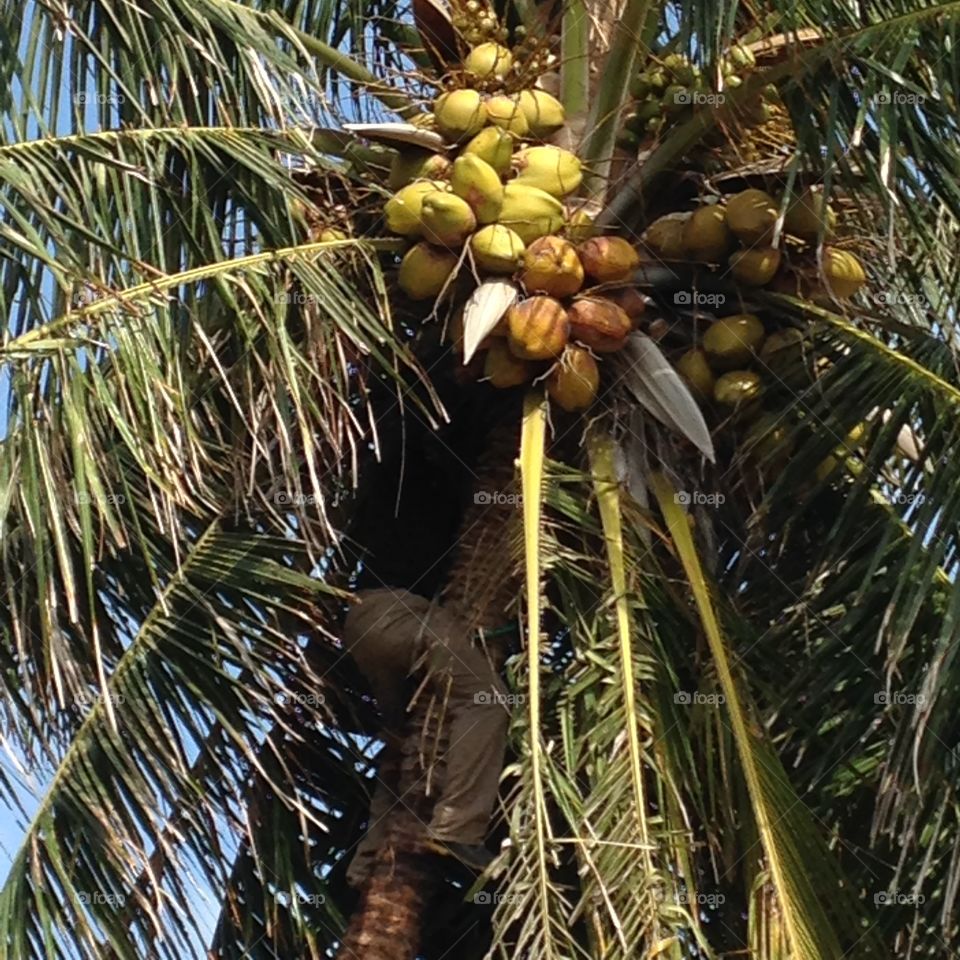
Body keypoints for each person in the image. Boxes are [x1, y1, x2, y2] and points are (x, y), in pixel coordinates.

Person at [342, 586, 510, 887]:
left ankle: (364, 864)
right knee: (486, 702)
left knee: (402, 739)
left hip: (361, 632)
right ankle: (456, 827)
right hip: (403, 620)